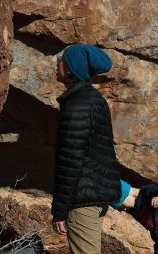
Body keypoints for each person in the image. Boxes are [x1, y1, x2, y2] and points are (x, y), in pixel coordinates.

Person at [51, 44, 122, 254]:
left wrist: (60, 210)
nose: (57, 65)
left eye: (61, 61)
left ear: (72, 68)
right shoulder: (94, 100)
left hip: (83, 201)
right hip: (97, 195)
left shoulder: (77, 106)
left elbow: (71, 160)